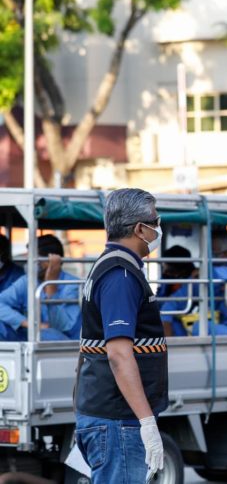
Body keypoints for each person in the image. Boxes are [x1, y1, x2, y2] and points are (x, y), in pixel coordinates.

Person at [74, 188, 168, 482]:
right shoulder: (121, 274)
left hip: (107, 415)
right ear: (140, 228)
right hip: (118, 420)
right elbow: (117, 354)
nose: (158, 227)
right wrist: (146, 421)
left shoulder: (111, 266)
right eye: (156, 220)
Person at [0, 235, 80, 341]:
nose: (29, 263)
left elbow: (61, 326)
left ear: (51, 261)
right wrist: (28, 323)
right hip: (32, 338)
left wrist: (51, 287)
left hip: (62, 343)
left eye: (35, 259)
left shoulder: (72, 284)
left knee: (49, 334)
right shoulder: (27, 281)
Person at [158, 245, 198, 337]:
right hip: (165, 318)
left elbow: (169, 306)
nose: (165, 268)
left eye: (167, 264)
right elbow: (160, 298)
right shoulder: (166, 277)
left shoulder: (193, 280)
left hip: (185, 322)